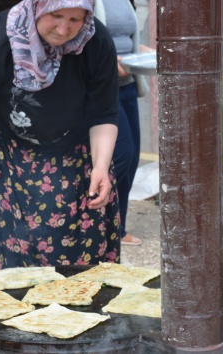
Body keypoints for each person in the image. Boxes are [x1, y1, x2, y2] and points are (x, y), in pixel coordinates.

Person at [0, 0, 121, 270]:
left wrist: (100, 166)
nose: (64, 29)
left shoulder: (96, 41)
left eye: (75, 20)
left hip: (77, 150)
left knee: (82, 256)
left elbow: (104, 115)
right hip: (7, 152)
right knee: (13, 253)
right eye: (56, 15)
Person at [95, 0, 152, 246]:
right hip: (104, 90)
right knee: (121, 157)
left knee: (132, 160)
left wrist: (147, 54)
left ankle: (118, 226)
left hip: (128, 86)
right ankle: (104, 227)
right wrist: (112, 63)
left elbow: (128, 40)